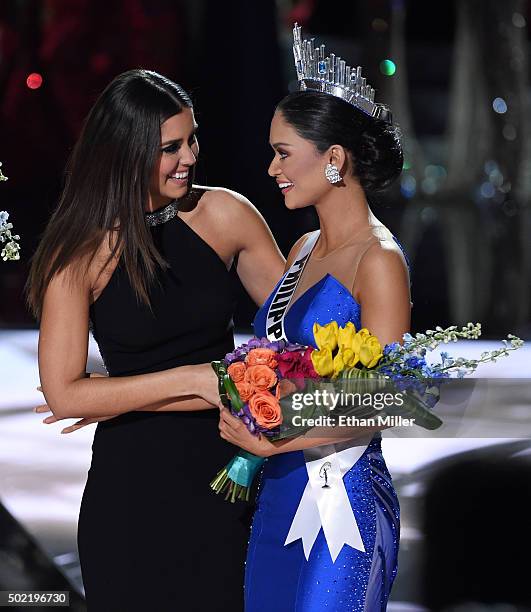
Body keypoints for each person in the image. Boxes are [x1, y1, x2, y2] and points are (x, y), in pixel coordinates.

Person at [27, 69, 285, 611]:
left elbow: (294, 337)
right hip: (133, 491)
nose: (190, 156)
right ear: (126, 151)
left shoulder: (226, 215)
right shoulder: (79, 251)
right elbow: (66, 395)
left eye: (192, 139)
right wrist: (198, 379)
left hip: (227, 475)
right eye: (171, 147)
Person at [217, 26, 410, 611]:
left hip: (341, 501)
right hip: (279, 491)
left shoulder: (379, 261)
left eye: (282, 152)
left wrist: (278, 432)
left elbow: (387, 400)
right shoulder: (301, 248)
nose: (272, 167)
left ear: (333, 158)